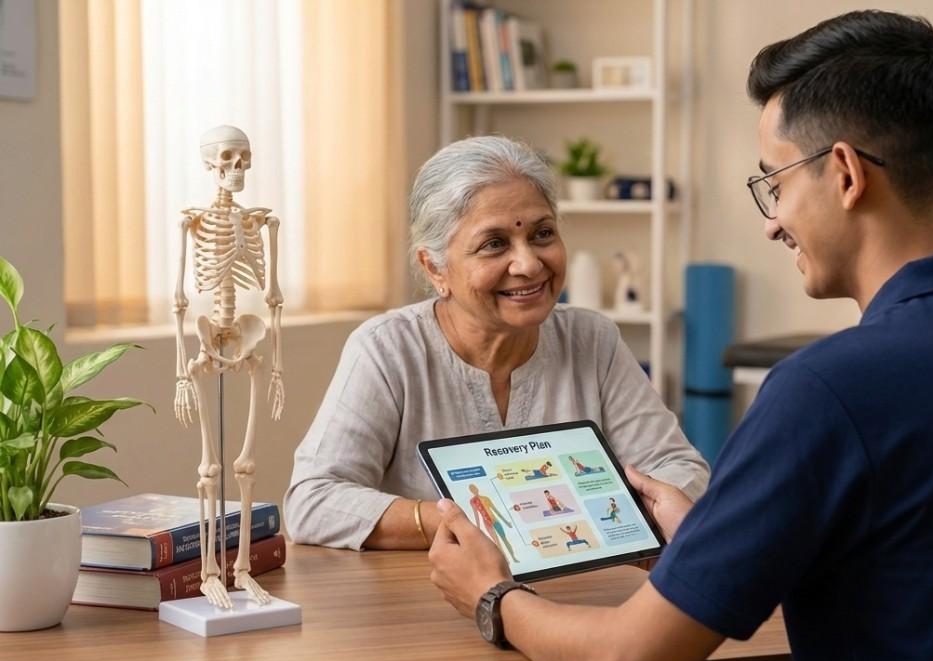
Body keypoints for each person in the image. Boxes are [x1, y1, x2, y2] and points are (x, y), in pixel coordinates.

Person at [426, 11, 933, 661]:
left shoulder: (829, 391)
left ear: (845, 174)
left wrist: (493, 595)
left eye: (776, 180)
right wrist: (716, 539)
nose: (772, 219)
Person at [285, 136, 709, 552]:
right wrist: (471, 520)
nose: (528, 264)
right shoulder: (388, 350)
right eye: (494, 244)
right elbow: (313, 501)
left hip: (579, 597)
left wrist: (584, 514)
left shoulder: (591, 339)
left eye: (543, 234)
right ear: (435, 268)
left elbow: (681, 471)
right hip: (427, 600)